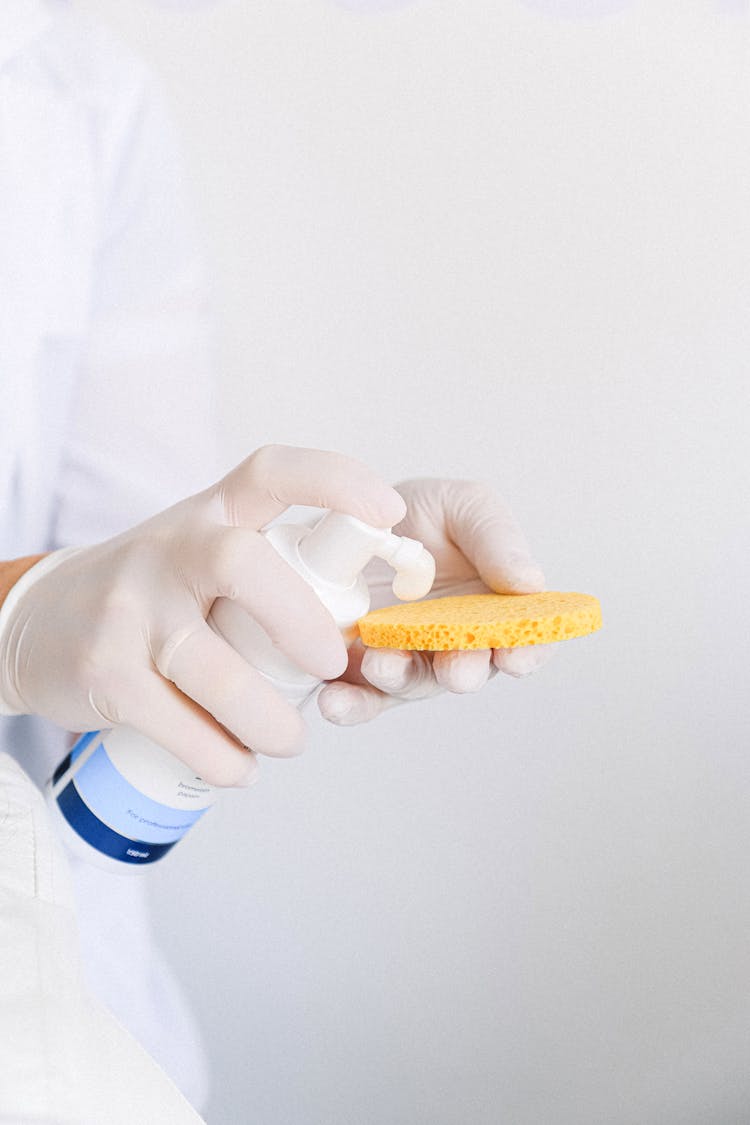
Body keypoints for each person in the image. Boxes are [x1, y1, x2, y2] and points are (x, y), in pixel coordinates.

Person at [0, 1, 551, 1117]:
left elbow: (135, 594)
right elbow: (57, 610)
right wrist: (20, 617)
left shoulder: (77, 93)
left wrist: (304, 592)